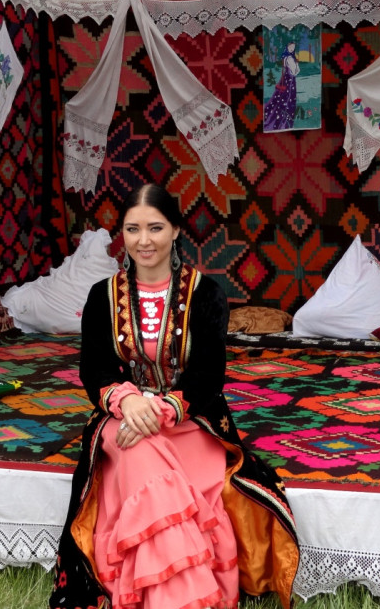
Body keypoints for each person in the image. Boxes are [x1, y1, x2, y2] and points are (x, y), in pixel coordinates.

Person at [49, 183, 299, 609]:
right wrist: (129, 402)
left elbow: (208, 375)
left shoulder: (205, 293)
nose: (143, 241)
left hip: (190, 420)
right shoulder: (102, 296)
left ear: (176, 230)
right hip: (121, 417)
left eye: (155, 228)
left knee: (147, 453)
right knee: (138, 450)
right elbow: (94, 371)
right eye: (133, 229)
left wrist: (163, 409)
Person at [263, 42, 300, 132]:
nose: (292, 49)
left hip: (287, 79)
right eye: (290, 47)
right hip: (289, 81)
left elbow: (296, 70)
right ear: (287, 47)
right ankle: (283, 119)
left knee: (282, 97)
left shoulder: (287, 57)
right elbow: (295, 71)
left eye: (293, 48)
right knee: (287, 98)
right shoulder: (290, 58)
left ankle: (279, 114)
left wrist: (296, 65)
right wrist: (296, 64)